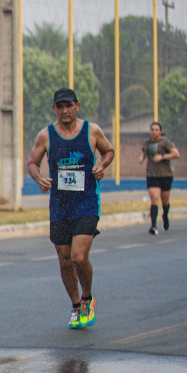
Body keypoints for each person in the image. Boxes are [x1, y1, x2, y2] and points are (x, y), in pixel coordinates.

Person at [27, 87, 115, 330]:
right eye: (60, 106)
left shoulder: (91, 131)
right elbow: (32, 162)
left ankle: (87, 299)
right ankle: (76, 306)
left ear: (77, 106)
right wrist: (39, 178)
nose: (65, 110)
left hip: (86, 202)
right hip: (60, 205)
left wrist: (102, 165)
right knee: (65, 260)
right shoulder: (46, 135)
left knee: (79, 256)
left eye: (69, 105)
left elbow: (108, 151)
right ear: (54, 109)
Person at [138, 122, 179, 235]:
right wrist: (141, 158)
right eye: (152, 129)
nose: (154, 132)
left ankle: (165, 215)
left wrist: (162, 156)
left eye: (156, 130)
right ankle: (153, 225)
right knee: (155, 199)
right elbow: (143, 152)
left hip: (165, 175)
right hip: (152, 175)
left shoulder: (165, 142)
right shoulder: (147, 143)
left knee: (165, 201)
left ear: (160, 131)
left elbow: (176, 154)